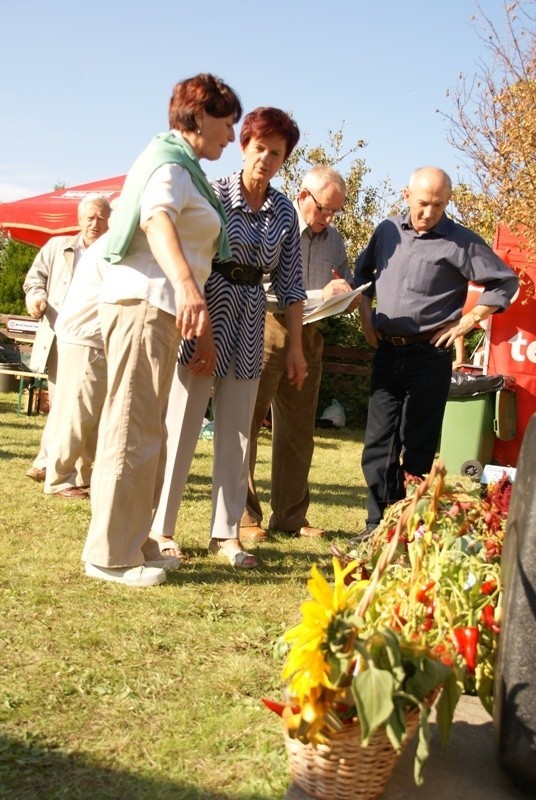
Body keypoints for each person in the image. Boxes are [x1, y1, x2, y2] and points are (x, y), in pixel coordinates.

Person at [81, 73, 242, 587]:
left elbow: (193, 252)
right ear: (198, 116)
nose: (232, 136)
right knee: (131, 426)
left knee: (150, 429)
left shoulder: (184, 167)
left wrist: (195, 305)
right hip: (142, 304)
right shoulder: (169, 165)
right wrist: (187, 288)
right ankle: (110, 555)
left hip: (160, 310)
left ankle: (138, 541)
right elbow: (157, 221)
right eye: (227, 121)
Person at [149, 107, 306, 569]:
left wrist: (295, 346)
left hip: (252, 317)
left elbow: (291, 285)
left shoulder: (283, 212)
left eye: (276, 153)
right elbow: (192, 258)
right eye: (260, 148)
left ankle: (227, 534)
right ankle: (162, 528)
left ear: (284, 159)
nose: (266, 159)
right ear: (244, 147)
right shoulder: (211, 192)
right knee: (181, 425)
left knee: (238, 432)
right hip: (204, 309)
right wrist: (200, 328)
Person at [351, 166, 519, 544]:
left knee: (418, 445)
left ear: (447, 203)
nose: (429, 212)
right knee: (378, 445)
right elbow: (362, 279)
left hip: (430, 355)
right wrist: (365, 317)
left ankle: (407, 527)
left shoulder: (461, 241)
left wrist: (468, 321)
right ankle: (376, 524)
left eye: (438, 205)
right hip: (386, 352)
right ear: (406, 193)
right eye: (423, 203)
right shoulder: (386, 231)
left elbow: (504, 281)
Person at [240, 165, 358, 539]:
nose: (328, 218)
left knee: (298, 431)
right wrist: (320, 295)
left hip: (310, 335)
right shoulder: (274, 224)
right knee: (246, 424)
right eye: (324, 208)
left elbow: (340, 283)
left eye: (335, 211)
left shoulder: (335, 239)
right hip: (266, 327)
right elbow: (257, 284)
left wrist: (346, 294)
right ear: (304, 195)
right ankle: (243, 517)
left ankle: (290, 517)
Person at [23, 196, 111, 481]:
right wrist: (37, 297)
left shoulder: (112, 253)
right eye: (89, 217)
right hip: (59, 334)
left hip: (94, 336)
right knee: (62, 399)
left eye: (101, 217)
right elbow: (34, 279)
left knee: (81, 405)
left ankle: (61, 464)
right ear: (79, 219)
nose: (95, 223)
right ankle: (48, 462)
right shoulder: (57, 247)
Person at [42, 235, 110, 500]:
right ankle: (59, 478)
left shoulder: (106, 245)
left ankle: (81, 476)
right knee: (77, 411)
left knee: (88, 413)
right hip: (87, 338)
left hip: (87, 337)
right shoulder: (115, 246)